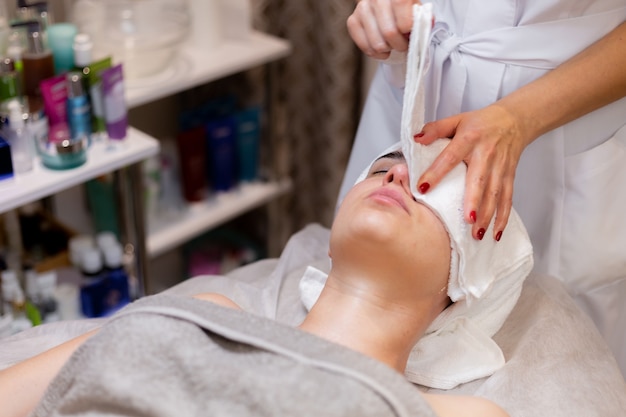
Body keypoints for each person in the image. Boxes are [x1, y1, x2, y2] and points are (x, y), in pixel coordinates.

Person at [0, 151, 510, 417]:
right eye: (381, 170)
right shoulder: (207, 311)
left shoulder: (461, 413)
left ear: (460, 288)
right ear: (331, 241)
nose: (399, 178)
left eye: (433, 189)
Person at [341, 0, 626, 374]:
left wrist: (518, 118)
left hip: (569, 110)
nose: (399, 177)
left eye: (438, 202)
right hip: (421, 72)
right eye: (381, 170)